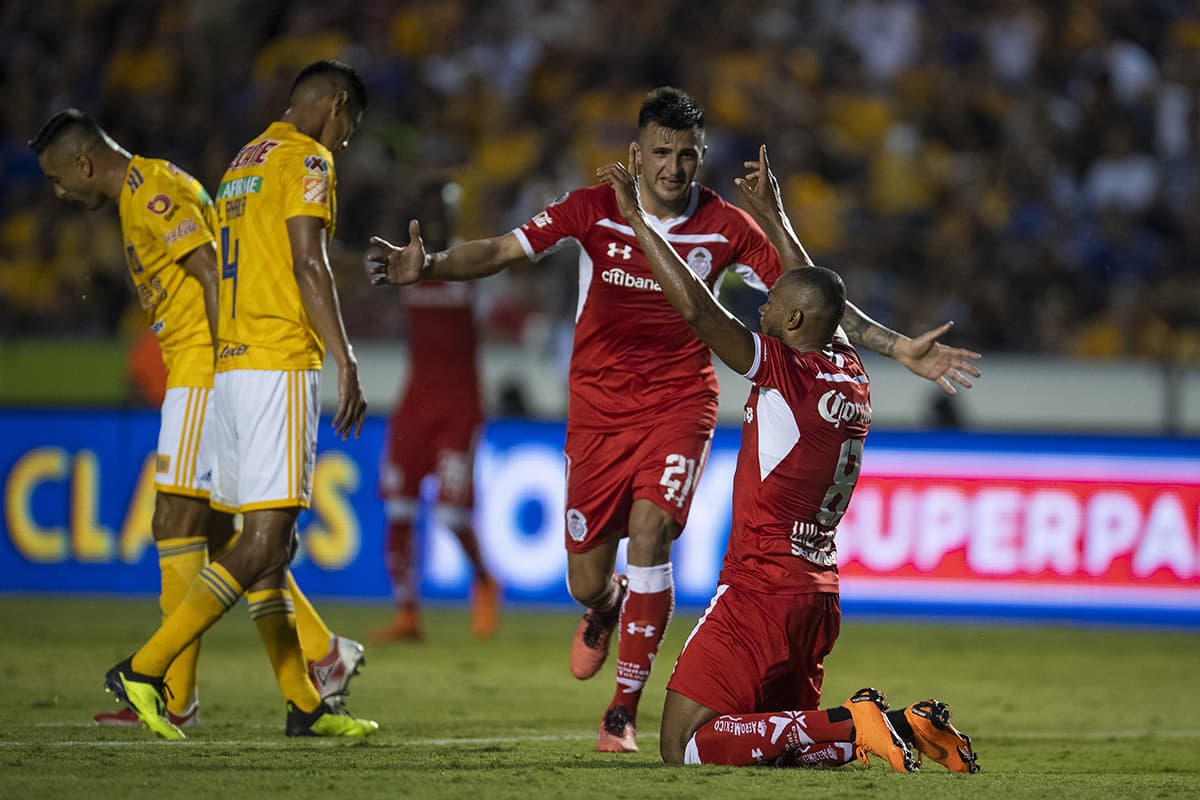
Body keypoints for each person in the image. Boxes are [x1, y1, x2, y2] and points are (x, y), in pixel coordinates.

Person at [366, 87, 980, 753]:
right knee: (587, 580)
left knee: (653, 532)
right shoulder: (594, 209)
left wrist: (897, 347)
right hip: (598, 413)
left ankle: (622, 711)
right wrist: (427, 265)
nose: (674, 167)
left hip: (679, 403)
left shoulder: (725, 227)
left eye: (687, 154)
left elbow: (813, 304)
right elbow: (503, 251)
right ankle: (606, 607)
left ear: (701, 155)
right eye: (661, 152)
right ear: (636, 153)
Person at [597, 145, 980, 773]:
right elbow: (820, 297)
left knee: (683, 744)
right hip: (817, 594)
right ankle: (903, 725)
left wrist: (638, 218)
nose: (761, 305)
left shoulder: (783, 370)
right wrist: (777, 219)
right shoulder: (849, 370)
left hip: (760, 588)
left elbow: (697, 308)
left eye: (770, 301)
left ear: (794, 319)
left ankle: (857, 721)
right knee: (781, 746)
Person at [29, 107, 366, 732]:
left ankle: (171, 691)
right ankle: (315, 666)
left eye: (57, 179)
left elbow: (214, 272)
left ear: (82, 163)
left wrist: (227, 368)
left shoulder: (155, 190)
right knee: (227, 537)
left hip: (205, 368)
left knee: (178, 522)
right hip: (207, 366)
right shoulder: (139, 196)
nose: (59, 193)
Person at [372, 180, 500, 643]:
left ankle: (485, 580)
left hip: (459, 403)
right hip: (414, 401)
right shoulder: (405, 266)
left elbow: (501, 302)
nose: (437, 218)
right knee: (399, 507)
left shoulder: (471, 265)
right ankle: (408, 616)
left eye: (444, 210)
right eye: (429, 210)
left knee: (450, 514)